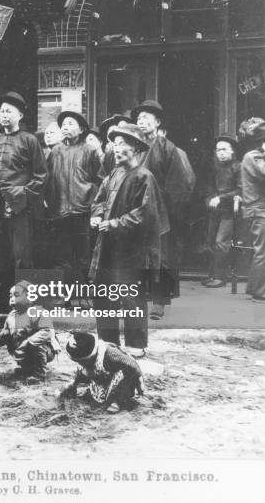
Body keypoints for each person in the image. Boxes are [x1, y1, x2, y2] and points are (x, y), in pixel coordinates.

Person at [89, 123, 169, 357]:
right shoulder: (113, 173)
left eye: (122, 143)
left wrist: (114, 223)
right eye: (114, 143)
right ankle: (108, 342)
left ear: (135, 148)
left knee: (130, 296)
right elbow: (100, 200)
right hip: (108, 246)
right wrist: (96, 216)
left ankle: (136, 345)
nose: (116, 148)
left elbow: (144, 214)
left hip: (132, 249)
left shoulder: (144, 177)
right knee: (104, 295)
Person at [0, 92, 48, 312]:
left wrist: (20, 195)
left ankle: (23, 305)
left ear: (20, 114)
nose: (4, 114)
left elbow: (40, 176)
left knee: (22, 256)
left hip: (20, 207)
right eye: (2, 111)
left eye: (9, 111)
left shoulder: (29, 140)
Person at [132, 100, 195, 319]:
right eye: (139, 119)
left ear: (158, 122)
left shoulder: (167, 148)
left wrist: (168, 209)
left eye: (146, 118)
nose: (141, 122)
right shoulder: (132, 146)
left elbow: (178, 183)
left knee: (162, 256)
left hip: (160, 209)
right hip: (134, 208)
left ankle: (159, 301)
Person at [45, 110, 103, 292]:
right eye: (63, 124)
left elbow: (100, 180)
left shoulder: (90, 150)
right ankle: (66, 296)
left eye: (71, 124)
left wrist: (92, 202)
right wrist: (49, 201)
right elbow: (47, 180)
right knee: (61, 256)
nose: (66, 127)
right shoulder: (55, 151)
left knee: (83, 256)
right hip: (59, 212)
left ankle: (83, 295)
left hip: (83, 211)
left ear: (81, 129)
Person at [60, 331, 144, 414]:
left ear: (90, 356)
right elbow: (83, 372)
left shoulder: (110, 354)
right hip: (103, 377)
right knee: (86, 376)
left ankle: (117, 401)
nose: (80, 363)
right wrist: (74, 383)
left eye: (82, 361)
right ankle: (98, 395)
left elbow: (132, 366)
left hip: (122, 377)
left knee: (123, 381)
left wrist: (140, 387)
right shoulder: (86, 362)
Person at [0, 280, 59, 382]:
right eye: (10, 296)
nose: (12, 299)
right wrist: (3, 336)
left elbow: (47, 331)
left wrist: (27, 343)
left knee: (37, 344)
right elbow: (5, 330)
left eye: (16, 295)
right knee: (11, 341)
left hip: (44, 349)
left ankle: (39, 374)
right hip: (20, 349)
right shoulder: (11, 315)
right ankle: (26, 368)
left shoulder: (39, 311)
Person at [203, 136, 241, 288]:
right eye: (218, 150)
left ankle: (220, 277)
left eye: (224, 149)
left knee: (221, 242)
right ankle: (213, 275)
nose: (221, 153)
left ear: (232, 151)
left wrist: (220, 197)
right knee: (211, 241)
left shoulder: (238, 167)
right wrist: (210, 200)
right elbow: (209, 188)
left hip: (230, 211)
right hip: (216, 210)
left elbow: (241, 190)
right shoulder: (216, 168)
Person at [240, 121, 265, 302]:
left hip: (261, 210)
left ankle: (255, 288)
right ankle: (259, 292)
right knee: (263, 251)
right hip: (259, 211)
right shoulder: (253, 157)